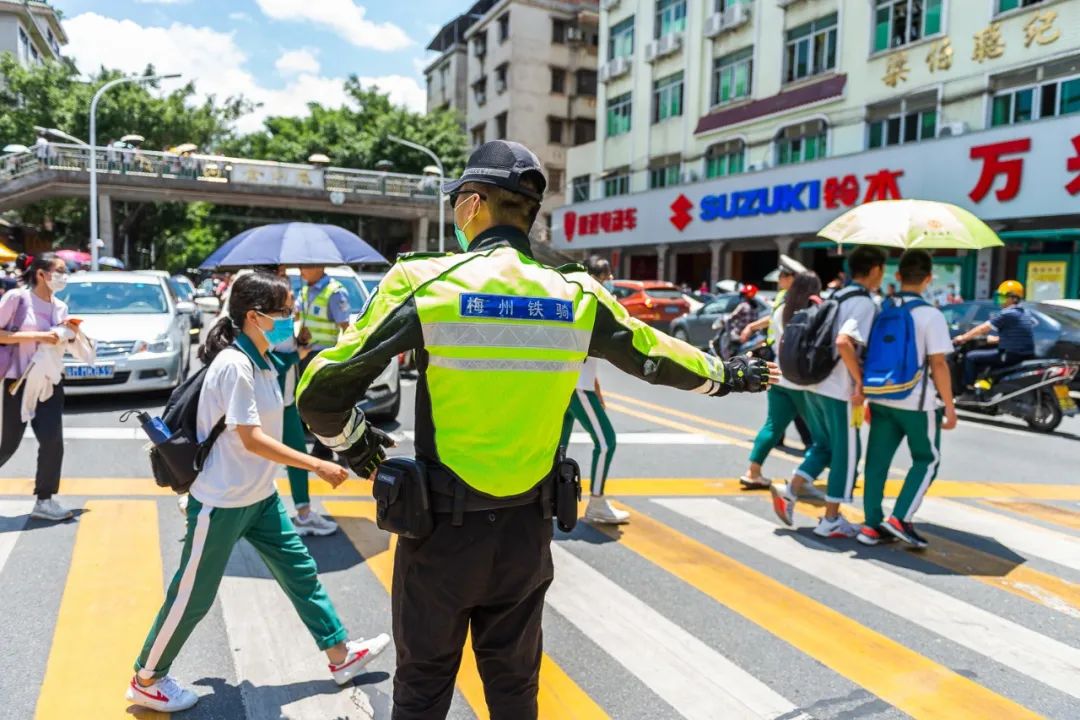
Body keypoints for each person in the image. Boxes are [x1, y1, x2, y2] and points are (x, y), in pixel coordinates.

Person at [296, 140, 776, 720]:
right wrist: (733, 373)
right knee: (516, 691)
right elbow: (656, 357)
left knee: (422, 691)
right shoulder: (575, 293)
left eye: (457, 204)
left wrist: (363, 451)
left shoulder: (425, 283)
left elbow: (319, 394)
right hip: (527, 534)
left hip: (440, 536)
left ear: (472, 205)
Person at [127, 273, 389, 714]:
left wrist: (305, 351)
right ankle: (146, 677)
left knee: (300, 571)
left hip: (259, 497)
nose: (291, 318)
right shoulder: (235, 365)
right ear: (256, 317)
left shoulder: (264, 360)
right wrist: (317, 463)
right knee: (193, 594)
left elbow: (285, 401)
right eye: (285, 312)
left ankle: (340, 656)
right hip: (222, 500)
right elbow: (249, 437)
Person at [771, 245, 886, 538]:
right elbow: (844, 341)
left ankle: (789, 489)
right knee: (848, 453)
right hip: (839, 389)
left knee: (823, 446)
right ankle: (831, 519)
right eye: (882, 270)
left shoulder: (834, 295)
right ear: (874, 270)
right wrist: (860, 382)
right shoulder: (863, 302)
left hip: (813, 384)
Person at [859, 250, 958, 549]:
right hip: (916, 402)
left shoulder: (880, 309)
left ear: (897, 276)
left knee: (876, 463)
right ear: (929, 279)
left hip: (879, 396)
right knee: (928, 459)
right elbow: (938, 364)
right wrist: (950, 407)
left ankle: (871, 525)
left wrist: (866, 396)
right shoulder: (931, 315)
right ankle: (900, 517)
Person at [0, 253, 76, 521]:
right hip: (18, 383)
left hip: (50, 381)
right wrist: (40, 336)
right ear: (41, 274)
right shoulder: (17, 299)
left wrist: (71, 336)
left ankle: (44, 500)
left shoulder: (60, 307)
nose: (64, 276)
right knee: (7, 444)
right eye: (60, 271)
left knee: (52, 441)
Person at [740, 271, 830, 492]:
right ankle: (806, 478)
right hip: (802, 382)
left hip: (778, 375)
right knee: (824, 437)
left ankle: (753, 472)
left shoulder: (782, 309)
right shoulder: (812, 311)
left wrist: (752, 327)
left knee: (772, 426)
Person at [558, 255, 627, 525]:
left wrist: (597, 387)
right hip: (577, 387)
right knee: (606, 441)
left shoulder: (575, 299)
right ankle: (597, 502)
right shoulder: (592, 302)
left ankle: (546, 499)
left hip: (572, 384)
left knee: (558, 447)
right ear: (596, 277)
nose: (610, 281)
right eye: (606, 276)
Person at [297, 265, 352, 460]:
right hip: (305, 354)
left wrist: (345, 358)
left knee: (321, 406)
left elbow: (346, 327)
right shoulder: (304, 290)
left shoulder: (335, 292)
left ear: (319, 267)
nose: (300, 270)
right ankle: (324, 448)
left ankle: (325, 449)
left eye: (305, 266)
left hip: (323, 357)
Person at [953, 280, 1035, 391]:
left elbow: (983, 328)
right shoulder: (1026, 313)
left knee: (971, 357)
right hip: (1024, 354)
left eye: (1003, 297)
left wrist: (963, 337)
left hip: (1010, 355)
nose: (1001, 300)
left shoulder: (1007, 313)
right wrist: (995, 339)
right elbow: (1016, 335)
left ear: (1013, 298)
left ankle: (968, 390)